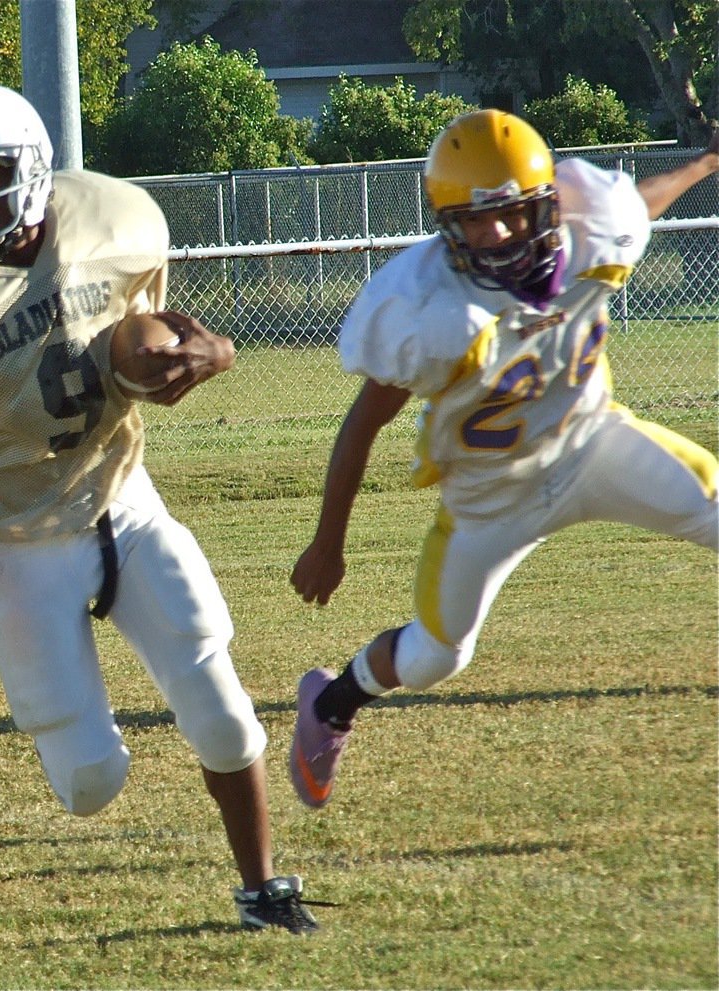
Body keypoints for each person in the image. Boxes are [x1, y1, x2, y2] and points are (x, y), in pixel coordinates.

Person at [0, 83, 320, 934]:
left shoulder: (111, 221)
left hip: (122, 496)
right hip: (12, 535)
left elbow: (156, 328)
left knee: (220, 703)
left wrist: (212, 349)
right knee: (89, 779)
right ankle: (85, 753)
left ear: (29, 168)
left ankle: (262, 888)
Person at [288, 110, 719, 810]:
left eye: (510, 215)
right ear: (444, 223)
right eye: (472, 221)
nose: (492, 235)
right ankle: (332, 702)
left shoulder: (598, 229)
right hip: (491, 497)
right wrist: (328, 540)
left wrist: (705, 165)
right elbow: (362, 424)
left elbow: (641, 202)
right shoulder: (428, 309)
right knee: (436, 656)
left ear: (547, 204)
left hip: (590, 443)